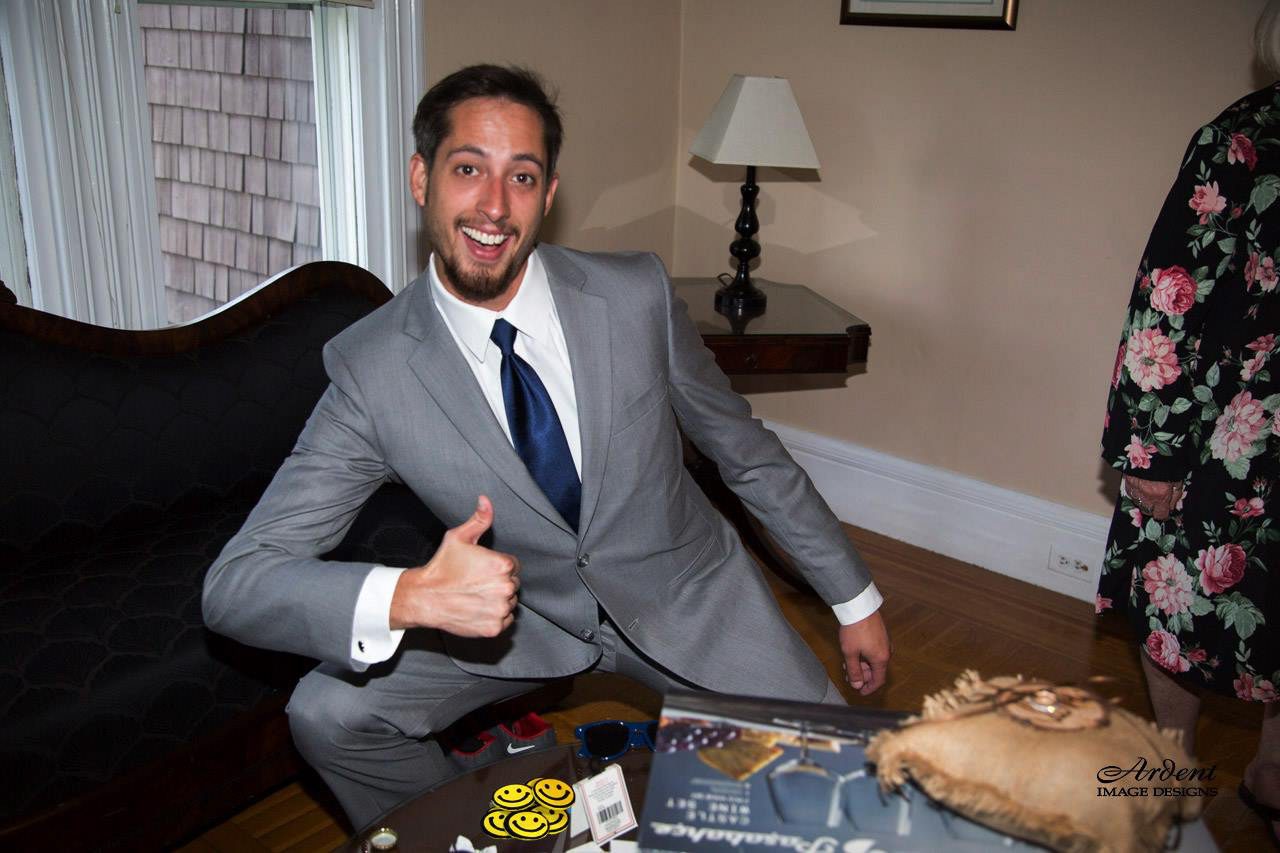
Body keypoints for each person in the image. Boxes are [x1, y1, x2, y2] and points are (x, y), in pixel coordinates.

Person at [202, 64, 891, 828]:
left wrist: (853, 598)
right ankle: (478, 836)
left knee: (855, 798)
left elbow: (745, 451)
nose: (493, 206)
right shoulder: (372, 370)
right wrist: (410, 595)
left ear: (548, 195)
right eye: (469, 169)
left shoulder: (634, 297)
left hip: (688, 597)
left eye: (521, 177)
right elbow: (236, 584)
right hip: (518, 623)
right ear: (421, 178)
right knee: (328, 712)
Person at [1098, 7, 1280, 842]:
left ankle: (1273, 774)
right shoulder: (1241, 143)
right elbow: (1168, 299)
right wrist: (1151, 452)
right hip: (1226, 440)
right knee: (1178, 609)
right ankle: (1167, 774)